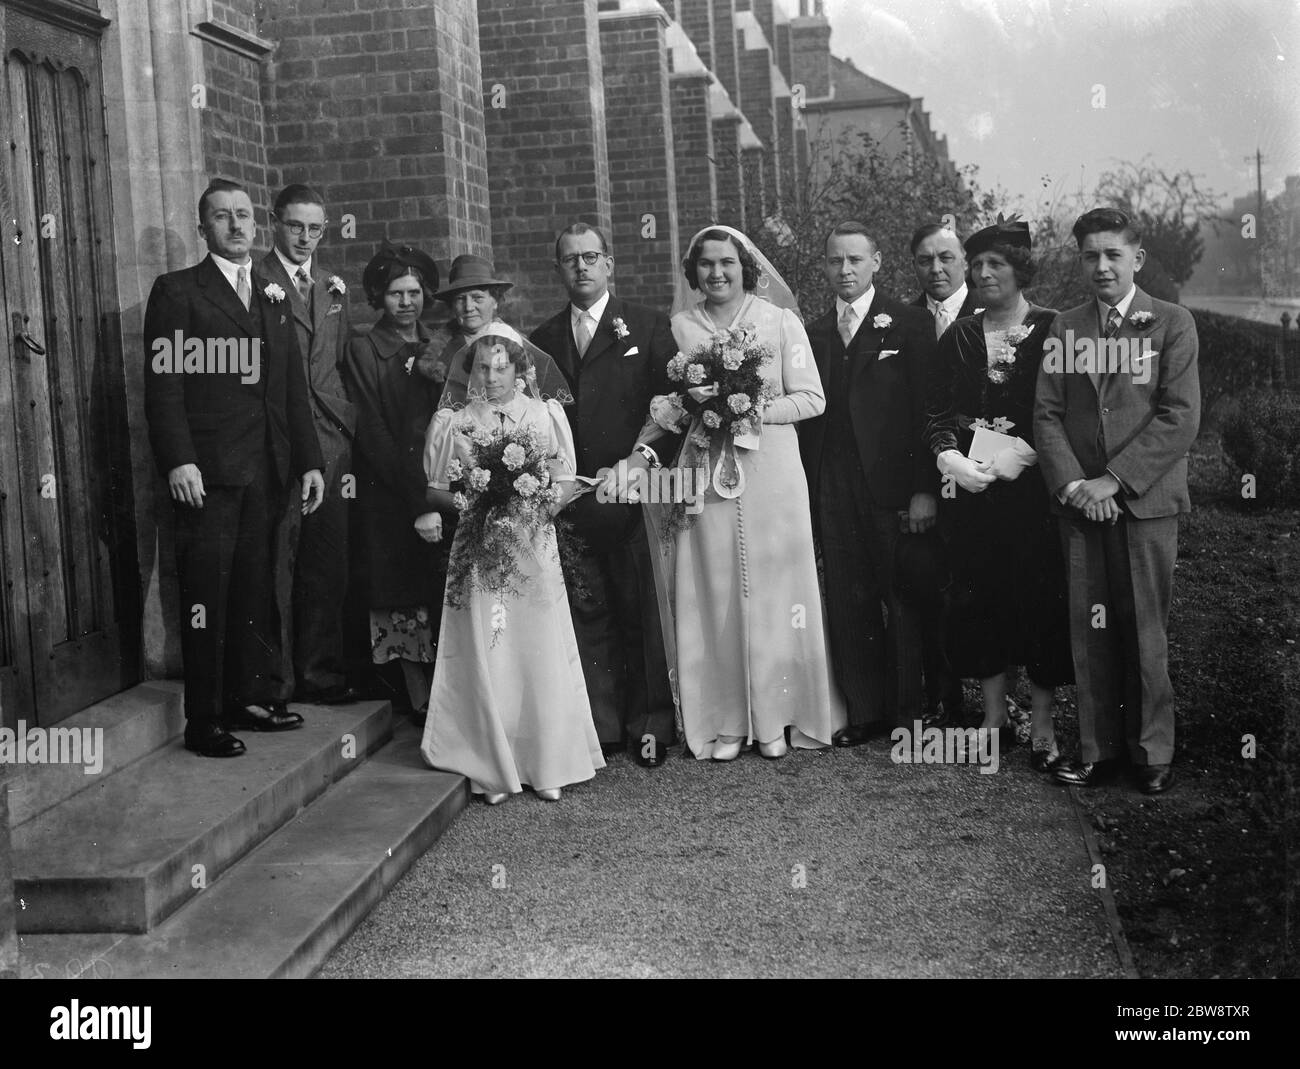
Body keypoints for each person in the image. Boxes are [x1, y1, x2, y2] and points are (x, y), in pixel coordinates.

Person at [645, 225, 843, 761]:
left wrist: (751, 411)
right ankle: (727, 720)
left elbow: (812, 399)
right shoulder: (681, 328)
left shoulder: (779, 322)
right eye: (706, 264)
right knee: (716, 590)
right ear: (694, 272)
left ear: (745, 266)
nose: (717, 273)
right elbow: (667, 406)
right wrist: (696, 406)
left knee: (779, 590)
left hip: (772, 471)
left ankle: (780, 715)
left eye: (727, 263)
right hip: (706, 473)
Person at [144, 177, 324, 758]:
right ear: (204, 229)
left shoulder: (270, 291)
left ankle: (250, 696)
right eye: (223, 217)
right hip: (209, 474)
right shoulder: (179, 292)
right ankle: (204, 718)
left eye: (244, 215)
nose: (237, 225)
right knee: (207, 596)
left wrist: (309, 462)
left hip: (266, 469)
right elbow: (164, 384)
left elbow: (291, 387)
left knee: (253, 587)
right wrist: (180, 459)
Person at [1035, 207, 1200, 795]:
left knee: (1143, 627)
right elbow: (1048, 413)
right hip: (1081, 506)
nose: (1101, 266)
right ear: (1079, 260)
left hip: (1145, 504)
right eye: (1090, 255)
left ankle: (1152, 750)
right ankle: (1096, 749)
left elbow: (1179, 417)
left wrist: (1115, 480)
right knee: (1090, 627)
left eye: (1112, 254)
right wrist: (1076, 486)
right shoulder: (1067, 327)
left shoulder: (1171, 323)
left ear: (1137, 258)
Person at [419, 325, 603, 803]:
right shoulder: (454, 423)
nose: (492, 375)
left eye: (502, 366)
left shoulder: (545, 415)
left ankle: (546, 762)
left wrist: (540, 506)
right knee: (489, 642)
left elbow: (566, 479)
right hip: (479, 546)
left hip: (532, 542)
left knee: (534, 643)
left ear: (521, 369)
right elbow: (435, 487)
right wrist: (472, 504)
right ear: (470, 370)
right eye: (483, 366)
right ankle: (491, 763)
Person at [925, 218, 1074, 768]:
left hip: (1035, 496)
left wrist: (1029, 453)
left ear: (1020, 270)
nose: (985, 274)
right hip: (975, 493)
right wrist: (950, 457)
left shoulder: (1055, 328)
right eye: (979, 264)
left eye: (998, 265)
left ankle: (1040, 724)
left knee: (1039, 601)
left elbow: (1068, 410)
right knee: (979, 597)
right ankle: (992, 718)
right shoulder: (960, 334)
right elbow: (936, 410)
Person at [529, 223, 679, 767]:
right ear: (559, 270)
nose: (582, 267)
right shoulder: (541, 340)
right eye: (570, 260)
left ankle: (649, 726)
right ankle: (601, 727)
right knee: (586, 608)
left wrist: (641, 460)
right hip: (573, 498)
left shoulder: (646, 324)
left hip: (633, 492)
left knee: (639, 607)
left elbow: (673, 405)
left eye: (591, 257)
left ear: (609, 263)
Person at [800, 222, 937, 745]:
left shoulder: (910, 324)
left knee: (900, 594)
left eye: (856, 260)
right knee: (848, 595)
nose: (845, 271)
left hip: (893, 484)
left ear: (877, 261)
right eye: (835, 261)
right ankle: (866, 710)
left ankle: (909, 715)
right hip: (833, 483)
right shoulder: (812, 333)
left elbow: (928, 411)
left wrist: (925, 487)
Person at [261, 183, 360, 706]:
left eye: (314, 228)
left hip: (333, 442)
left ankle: (320, 674)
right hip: (280, 441)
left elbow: (340, 363)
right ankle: (277, 681)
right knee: (281, 557)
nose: (304, 237)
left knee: (327, 562)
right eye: (294, 225)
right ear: (274, 222)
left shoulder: (333, 288)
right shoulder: (257, 280)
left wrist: (347, 420)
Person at [343, 244, 445, 719]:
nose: (407, 303)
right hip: (389, 495)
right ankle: (417, 701)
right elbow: (373, 430)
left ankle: (445, 699)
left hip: (437, 489)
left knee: (435, 594)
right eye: (395, 294)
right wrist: (413, 499)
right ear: (378, 298)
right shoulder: (364, 349)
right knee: (398, 597)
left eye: (415, 292)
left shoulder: (439, 344)